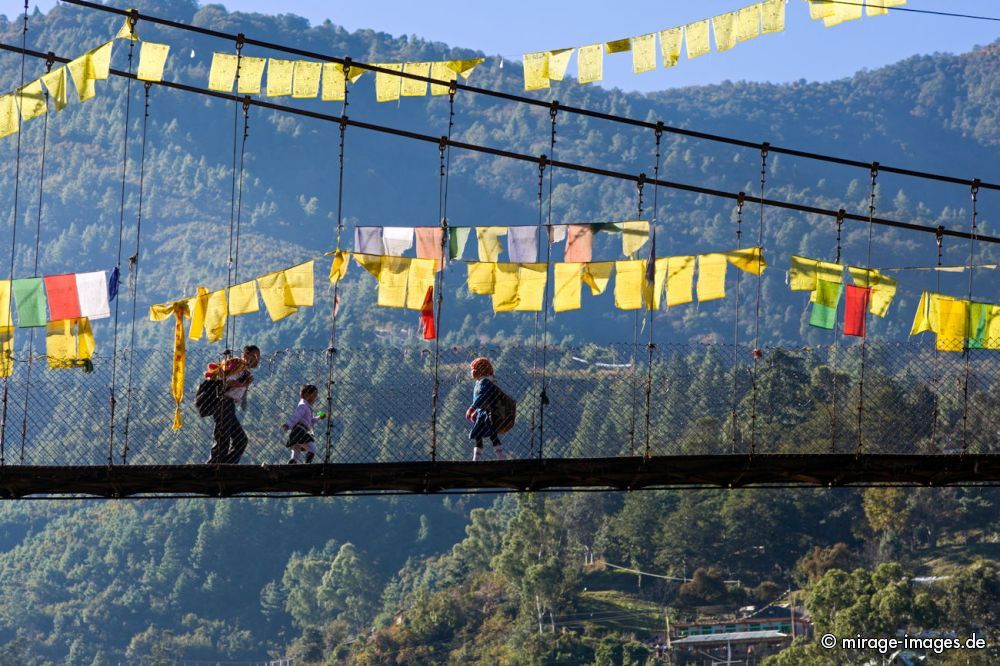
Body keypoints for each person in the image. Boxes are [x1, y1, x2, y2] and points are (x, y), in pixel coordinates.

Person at [205, 344, 260, 464]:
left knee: (239, 440)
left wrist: (244, 382)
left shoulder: (244, 369)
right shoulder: (239, 366)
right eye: (254, 356)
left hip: (229, 405)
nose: (257, 359)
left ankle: (225, 466)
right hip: (223, 403)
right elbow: (227, 382)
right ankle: (213, 468)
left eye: (258, 357)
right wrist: (243, 383)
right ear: (245, 355)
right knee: (223, 439)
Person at [465, 357, 505, 461]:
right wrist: (477, 410)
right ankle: (476, 458)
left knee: (492, 434)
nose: (472, 372)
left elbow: (481, 397)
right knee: (478, 435)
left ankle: (500, 457)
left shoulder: (485, 383)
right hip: (481, 413)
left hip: (488, 413)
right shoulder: (480, 382)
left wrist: (473, 408)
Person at [282, 384, 327, 464]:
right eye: (314, 396)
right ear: (307, 395)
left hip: (296, 432)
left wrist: (319, 417)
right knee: (312, 448)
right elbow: (296, 416)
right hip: (300, 431)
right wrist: (288, 424)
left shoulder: (306, 406)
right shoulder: (303, 406)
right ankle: (307, 464)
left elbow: (310, 421)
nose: (315, 399)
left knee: (296, 450)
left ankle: (293, 462)